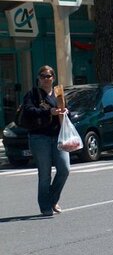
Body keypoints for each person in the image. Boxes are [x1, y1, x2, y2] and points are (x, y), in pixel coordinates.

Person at [22, 65, 69, 216]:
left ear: (53, 78)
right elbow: (28, 111)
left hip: (58, 136)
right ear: (38, 78)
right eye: (42, 76)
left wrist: (66, 111)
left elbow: (67, 108)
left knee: (64, 169)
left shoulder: (58, 93)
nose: (46, 79)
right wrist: (49, 111)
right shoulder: (33, 94)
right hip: (39, 137)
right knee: (45, 174)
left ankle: (53, 199)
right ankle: (45, 206)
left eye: (48, 76)